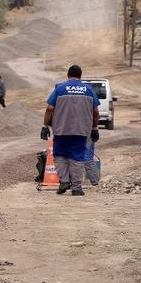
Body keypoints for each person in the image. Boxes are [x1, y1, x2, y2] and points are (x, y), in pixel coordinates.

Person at [41, 65, 100, 196]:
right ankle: (76, 188)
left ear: (68, 75)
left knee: (60, 155)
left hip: (61, 130)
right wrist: (94, 128)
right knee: (77, 157)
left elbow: (50, 108)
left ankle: (64, 181)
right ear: (80, 76)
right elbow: (95, 111)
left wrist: (45, 126)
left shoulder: (60, 88)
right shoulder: (88, 90)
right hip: (81, 131)